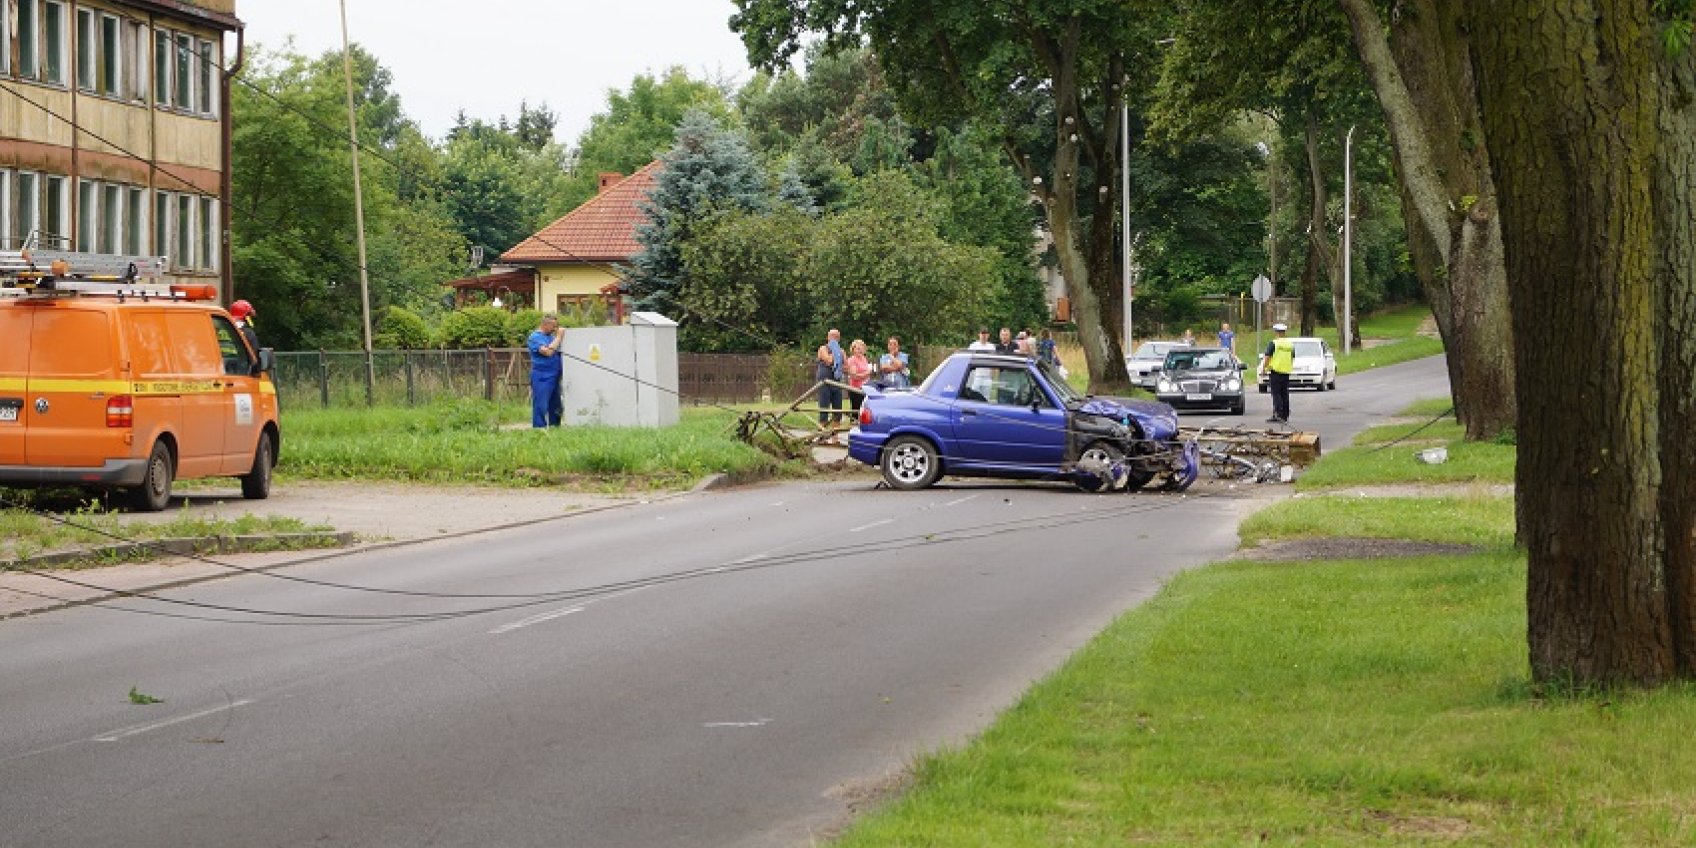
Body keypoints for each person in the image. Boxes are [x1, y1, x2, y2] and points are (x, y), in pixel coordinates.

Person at [526, 313, 565, 428]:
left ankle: (555, 427)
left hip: (555, 376)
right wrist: (559, 337)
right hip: (542, 376)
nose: (555, 329)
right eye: (553, 326)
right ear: (546, 324)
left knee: (556, 405)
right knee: (541, 405)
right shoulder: (535, 337)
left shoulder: (551, 337)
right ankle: (539, 429)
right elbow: (547, 352)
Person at [1259, 322, 1294, 425]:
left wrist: (1264, 368)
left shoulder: (1274, 343)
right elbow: (1292, 357)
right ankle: (1285, 414)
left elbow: (1267, 357)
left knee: (1276, 393)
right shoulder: (1290, 344)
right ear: (1284, 332)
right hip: (1286, 371)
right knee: (1284, 393)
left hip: (1276, 371)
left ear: (1276, 332)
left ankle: (1278, 414)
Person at [815, 328, 846, 425]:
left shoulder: (842, 351)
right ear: (828, 338)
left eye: (836, 337)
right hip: (824, 382)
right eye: (832, 336)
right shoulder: (823, 348)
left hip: (836, 381)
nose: (834, 338)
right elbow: (828, 360)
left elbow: (846, 366)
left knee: (837, 411)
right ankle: (821, 436)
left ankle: (835, 438)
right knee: (824, 410)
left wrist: (839, 352)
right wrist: (835, 352)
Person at [844, 338, 873, 413]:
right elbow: (854, 376)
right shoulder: (852, 360)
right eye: (858, 349)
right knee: (856, 411)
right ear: (853, 349)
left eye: (862, 349)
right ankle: (854, 423)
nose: (860, 350)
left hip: (866, 388)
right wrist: (867, 373)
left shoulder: (864, 359)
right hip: (856, 389)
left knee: (865, 410)